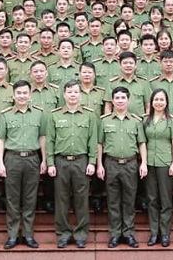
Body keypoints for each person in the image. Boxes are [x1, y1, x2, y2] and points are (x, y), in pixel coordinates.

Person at [46, 80, 98, 249]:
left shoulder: (89, 115)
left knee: (81, 199)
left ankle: (81, 234)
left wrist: (92, 162)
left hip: (81, 161)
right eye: (69, 92)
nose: (73, 95)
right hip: (61, 161)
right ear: (64, 94)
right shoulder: (55, 115)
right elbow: (50, 140)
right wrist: (50, 163)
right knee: (61, 199)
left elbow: (93, 140)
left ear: (80, 94)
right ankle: (63, 233)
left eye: (76, 92)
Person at [0, 80, 46, 250]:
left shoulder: (39, 114)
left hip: (32, 158)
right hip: (12, 158)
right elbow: (1, 139)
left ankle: (28, 234)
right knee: (12, 198)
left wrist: (44, 160)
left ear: (30, 95)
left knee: (30, 198)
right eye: (19, 93)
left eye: (25, 93)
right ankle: (12, 235)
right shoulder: (6, 115)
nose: (22, 96)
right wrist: (0, 162)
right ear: (13, 95)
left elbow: (43, 137)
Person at [96, 86, 148, 249]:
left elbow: (142, 143)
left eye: (123, 98)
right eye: (117, 98)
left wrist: (143, 163)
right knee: (113, 201)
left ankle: (128, 233)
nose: (120, 101)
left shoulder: (136, 121)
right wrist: (99, 164)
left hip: (130, 164)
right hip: (111, 163)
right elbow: (99, 143)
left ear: (128, 100)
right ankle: (115, 234)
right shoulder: (104, 121)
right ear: (112, 101)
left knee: (129, 200)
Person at [143, 89, 173, 247]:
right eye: (156, 99)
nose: (159, 102)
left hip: (165, 163)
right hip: (149, 164)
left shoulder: (172, 120)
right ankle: (154, 232)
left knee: (165, 199)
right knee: (152, 199)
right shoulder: (146, 120)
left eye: (162, 100)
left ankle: (165, 233)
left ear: (166, 102)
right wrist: (143, 162)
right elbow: (142, 142)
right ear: (151, 102)